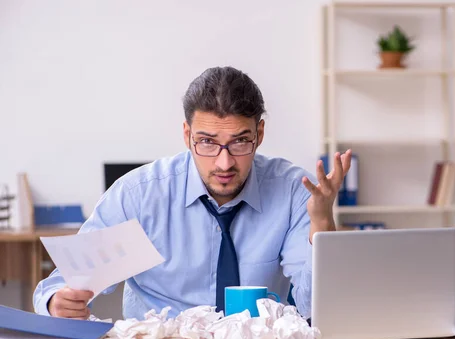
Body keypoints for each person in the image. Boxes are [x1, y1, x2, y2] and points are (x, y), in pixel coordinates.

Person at [33, 66, 351, 321]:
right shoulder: (139, 195)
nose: (224, 163)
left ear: (260, 134)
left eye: (240, 141)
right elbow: (61, 285)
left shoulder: (297, 191)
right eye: (207, 142)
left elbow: (315, 306)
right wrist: (57, 302)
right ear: (187, 135)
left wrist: (322, 225)